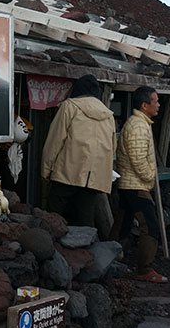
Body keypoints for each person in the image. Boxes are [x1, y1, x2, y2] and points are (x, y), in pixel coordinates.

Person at [41, 74, 116, 227]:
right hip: (94, 178)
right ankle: (88, 250)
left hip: (67, 172)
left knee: (53, 215)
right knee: (86, 219)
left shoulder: (69, 106)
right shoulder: (108, 115)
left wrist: (46, 170)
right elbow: (112, 147)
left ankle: (52, 247)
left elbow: (55, 141)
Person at [111, 86, 166, 283]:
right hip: (136, 185)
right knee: (150, 225)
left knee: (123, 223)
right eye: (156, 101)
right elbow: (138, 158)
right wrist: (150, 175)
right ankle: (145, 269)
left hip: (129, 184)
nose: (159, 104)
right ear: (144, 105)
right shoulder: (138, 126)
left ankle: (111, 260)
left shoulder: (139, 123)